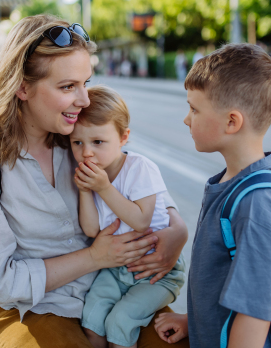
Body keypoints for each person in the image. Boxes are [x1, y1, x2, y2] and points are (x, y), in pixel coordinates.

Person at [0, 14, 189, 348]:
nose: (85, 100)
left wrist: (176, 230)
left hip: (113, 288)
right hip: (22, 308)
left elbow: (140, 181)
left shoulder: (78, 138)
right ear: (22, 87)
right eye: (67, 87)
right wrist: (94, 258)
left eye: (86, 82)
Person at [154, 44, 271, 348]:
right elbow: (223, 280)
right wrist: (193, 322)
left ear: (231, 122)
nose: (187, 119)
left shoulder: (259, 205)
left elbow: (254, 315)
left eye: (195, 109)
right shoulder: (231, 182)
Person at [70, 85, 186, 348]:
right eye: (78, 142)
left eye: (98, 142)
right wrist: (85, 192)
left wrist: (103, 188)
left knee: (120, 320)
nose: (87, 152)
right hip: (116, 269)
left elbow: (141, 220)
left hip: (156, 271)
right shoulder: (93, 177)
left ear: (123, 138)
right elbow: (91, 230)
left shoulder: (140, 168)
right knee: (92, 316)